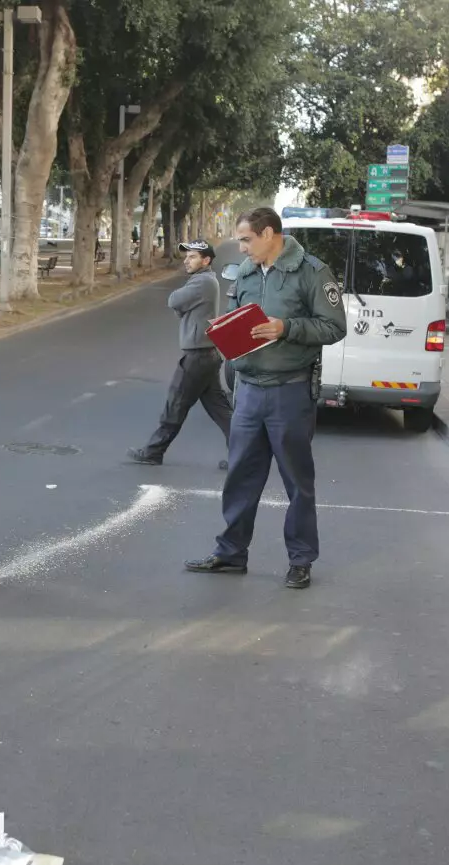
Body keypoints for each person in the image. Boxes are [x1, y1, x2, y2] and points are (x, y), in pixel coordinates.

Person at [185, 207, 346, 589]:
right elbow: (238, 317)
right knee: (240, 477)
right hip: (249, 390)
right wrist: (225, 330)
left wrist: (286, 328)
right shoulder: (244, 273)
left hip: (289, 392)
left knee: (297, 482)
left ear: (269, 234)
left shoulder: (311, 272)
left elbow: (335, 326)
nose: (240, 248)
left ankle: (301, 560)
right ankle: (231, 553)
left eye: (245, 239)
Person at [127, 239, 231, 469]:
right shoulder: (203, 281)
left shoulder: (202, 282)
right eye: (187, 256)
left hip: (197, 356)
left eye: (192, 256)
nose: (186, 260)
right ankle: (244, 455)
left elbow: (173, 300)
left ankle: (153, 452)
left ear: (206, 260)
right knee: (221, 410)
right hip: (206, 354)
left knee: (175, 405)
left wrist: (180, 306)